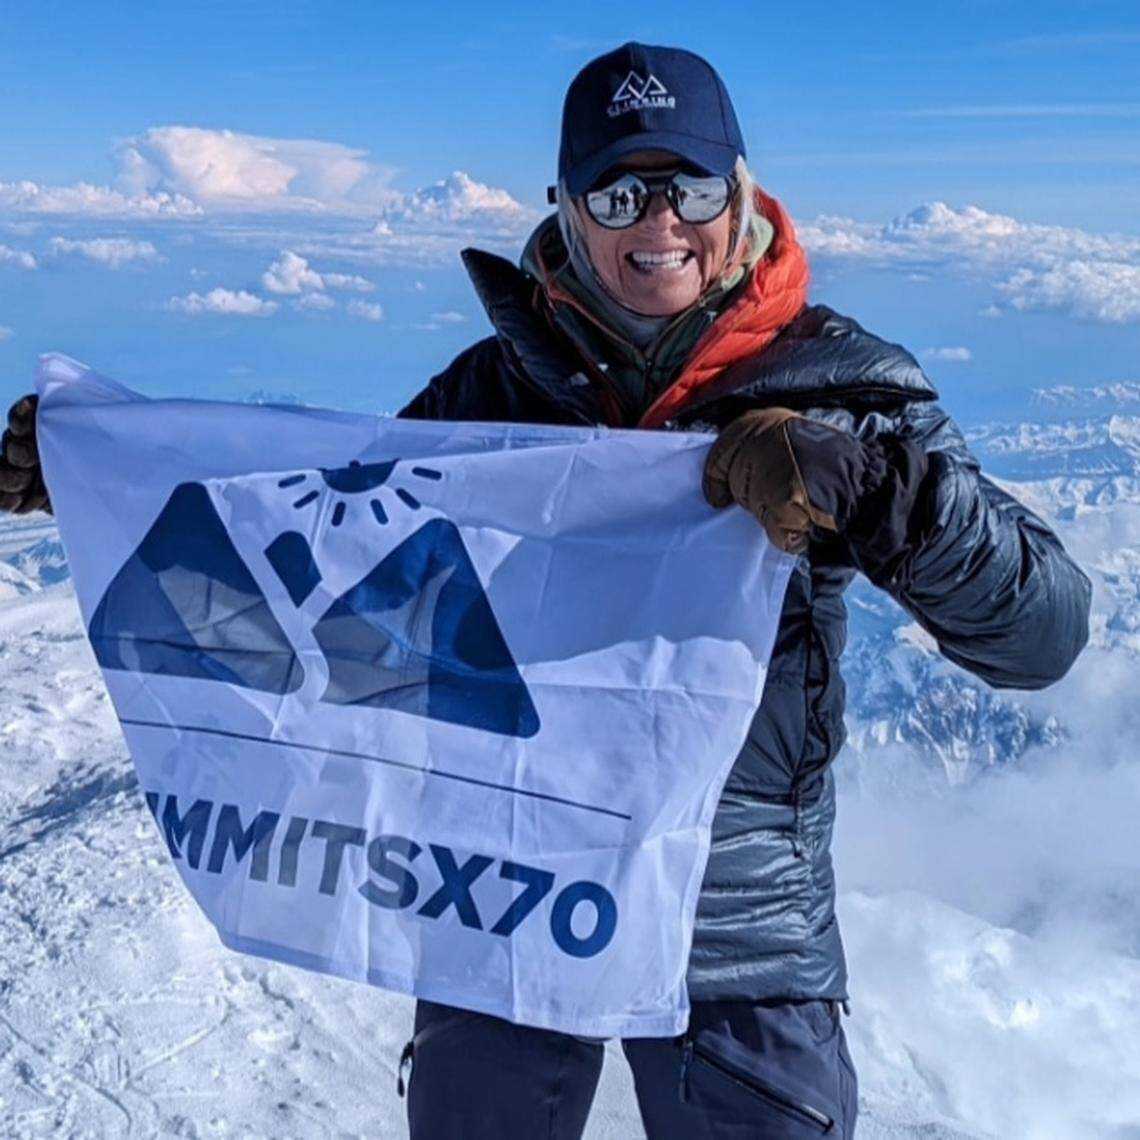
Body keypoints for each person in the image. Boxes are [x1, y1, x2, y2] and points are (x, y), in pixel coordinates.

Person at [2, 41, 1091, 1140]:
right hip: (505, 888)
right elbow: (328, 528)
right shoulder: (492, 394)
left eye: (689, 185)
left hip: (742, 931)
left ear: (743, 192)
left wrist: (869, 491)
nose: (658, 220)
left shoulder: (846, 393)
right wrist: (107, 480)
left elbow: (1043, 633)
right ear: (569, 211)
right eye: (621, 190)